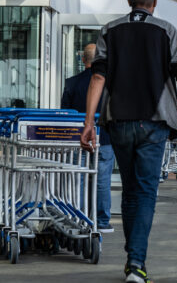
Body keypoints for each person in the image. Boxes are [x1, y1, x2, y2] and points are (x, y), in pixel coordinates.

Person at [80, 0, 177, 283]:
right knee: (146, 192)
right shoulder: (166, 31)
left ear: (129, 1)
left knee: (130, 190)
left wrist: (88, 123)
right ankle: (136, 263)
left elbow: (97, 77)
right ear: (154, 3)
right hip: (154, 124)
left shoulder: (110, 31)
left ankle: (132, 257)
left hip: (119, 122)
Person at [61, 43, 115, 234]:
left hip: (79, 139)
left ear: (83, 60)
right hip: (105, 139)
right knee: (102, 180)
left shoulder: (71, 83)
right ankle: (102, 220)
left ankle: (79, 215)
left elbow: (65, 114)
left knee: (80, 179)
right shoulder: (110, 84)